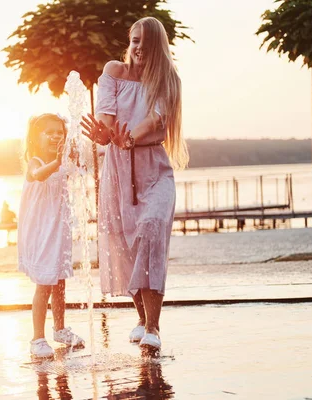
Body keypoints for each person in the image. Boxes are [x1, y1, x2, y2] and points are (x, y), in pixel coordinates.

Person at [81, 17, 188, 351]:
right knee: (125, 245)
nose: (138, 48)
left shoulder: (168, 79)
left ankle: (154, 326)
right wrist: (104, 133)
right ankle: (141, 318)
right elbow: (106, 117)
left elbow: (158, 118)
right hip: (117, 168)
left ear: (158, 45)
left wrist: (130, 138)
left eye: (145, 42)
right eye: (134, 40)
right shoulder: (114, 71)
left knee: (152, 230)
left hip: (154, 166)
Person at [18, 113, 85, 359]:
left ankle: (59, 329)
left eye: (60, 133)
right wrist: (57, 161)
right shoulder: (34, 162)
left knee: (59, 282)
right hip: (40, 233)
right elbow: (39, 175)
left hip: (58, 230)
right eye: (50, 132)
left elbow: (79, 173)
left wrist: (74, 158)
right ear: (37, 138)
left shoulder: (61, 161)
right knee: (44, 284)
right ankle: (37, 338)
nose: (56, 136)